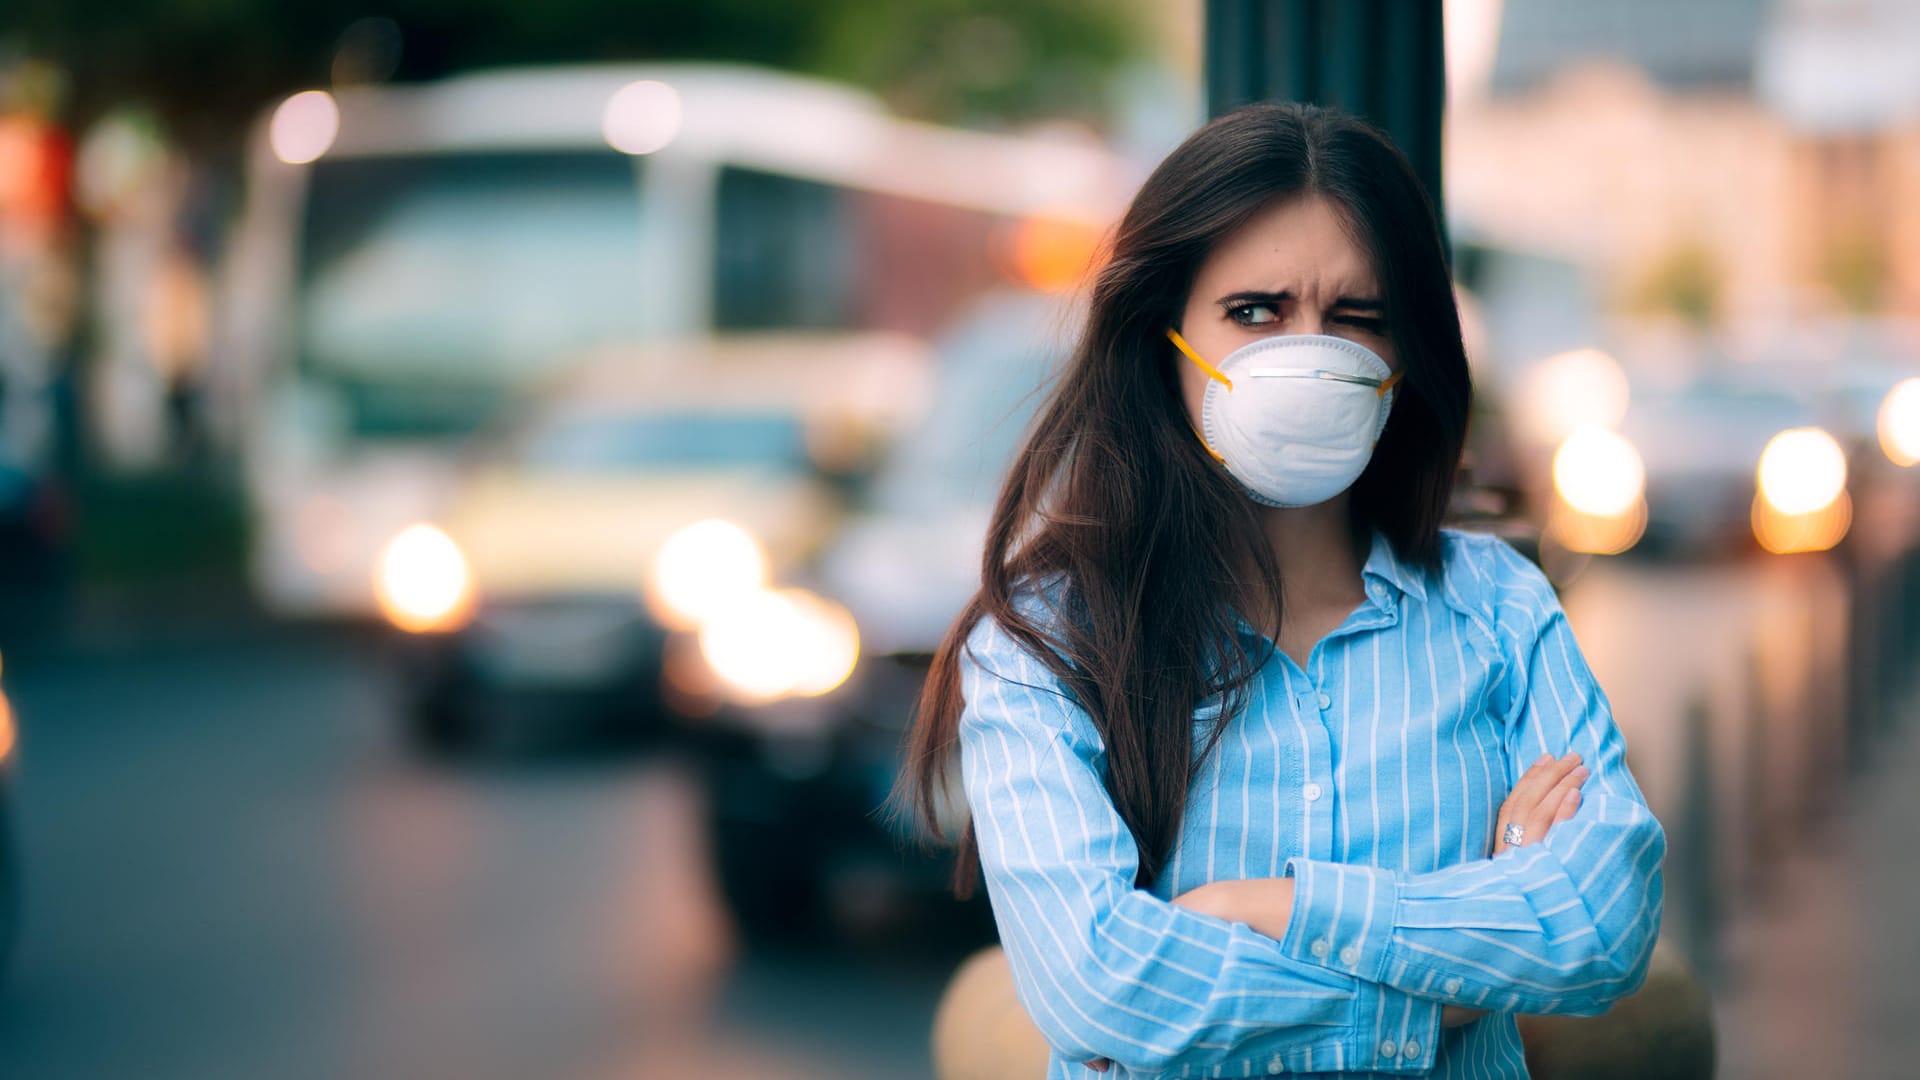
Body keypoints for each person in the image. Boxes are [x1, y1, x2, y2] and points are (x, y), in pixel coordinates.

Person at [897, 102, 1665, 1078]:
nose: (1309, 352)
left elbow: (1604, 921)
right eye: (1256, 311)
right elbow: (1100, 984)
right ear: (1164, 333)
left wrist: (1271, 908)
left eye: (1356, 317)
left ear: (1404, 355)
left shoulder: (1498, 607)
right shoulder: (1046, 641)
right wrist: (1456, 981)